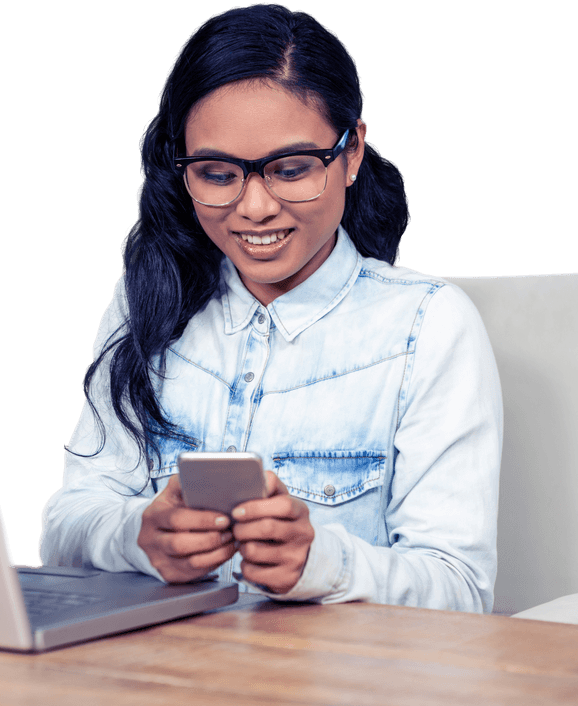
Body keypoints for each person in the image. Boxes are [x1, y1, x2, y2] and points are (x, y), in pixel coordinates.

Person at [39, 4, 502, 612]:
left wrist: (321, 564)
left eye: (289, 169)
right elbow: (63, 528)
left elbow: (462, 590)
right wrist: (137, 537)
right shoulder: (147, 301)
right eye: (216, 173)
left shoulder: (427, 326)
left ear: (353, 151)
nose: (254, 207)